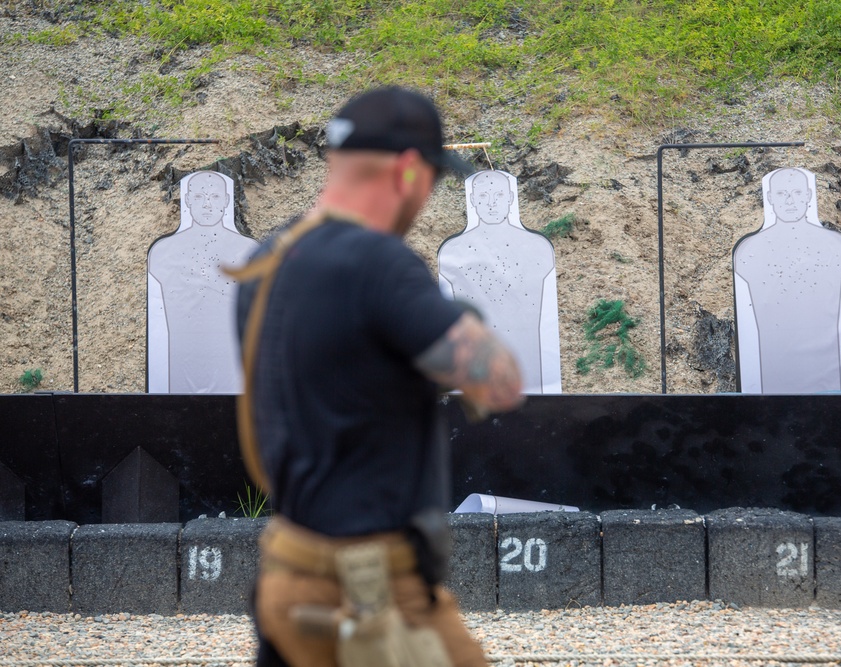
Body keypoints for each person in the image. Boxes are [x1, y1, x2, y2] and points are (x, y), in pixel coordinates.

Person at [230, 87, 524, 667]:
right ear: (411, 171)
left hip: (289, 574)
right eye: (434, 179)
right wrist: (464, 320)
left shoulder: (266, 261)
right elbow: (499, 383)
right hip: (369, 588)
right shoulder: (380, 266)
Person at [732, 167, 841, 393]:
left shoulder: (837, 247)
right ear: (770, 197)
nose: (790, 201)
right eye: (782, 194)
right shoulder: (749, 250)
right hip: (772, 381)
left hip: (828, 385)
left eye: (798, 193)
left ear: (809, 196)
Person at [438, 170, 561, 393]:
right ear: (473, 200)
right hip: (476, 370)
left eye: (499, 195)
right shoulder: (451, 250)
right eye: (484, 196)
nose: (492, 203)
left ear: (510, 198)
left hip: (527, 370)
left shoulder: (538, 247)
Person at [147, 170, 258, 393]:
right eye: (199, 196)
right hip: (180, 375)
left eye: (214, 196)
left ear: (226, 201)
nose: (207, 204)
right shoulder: (162, 252)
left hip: (232, 375)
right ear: (187, 200)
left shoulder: (248, 250)